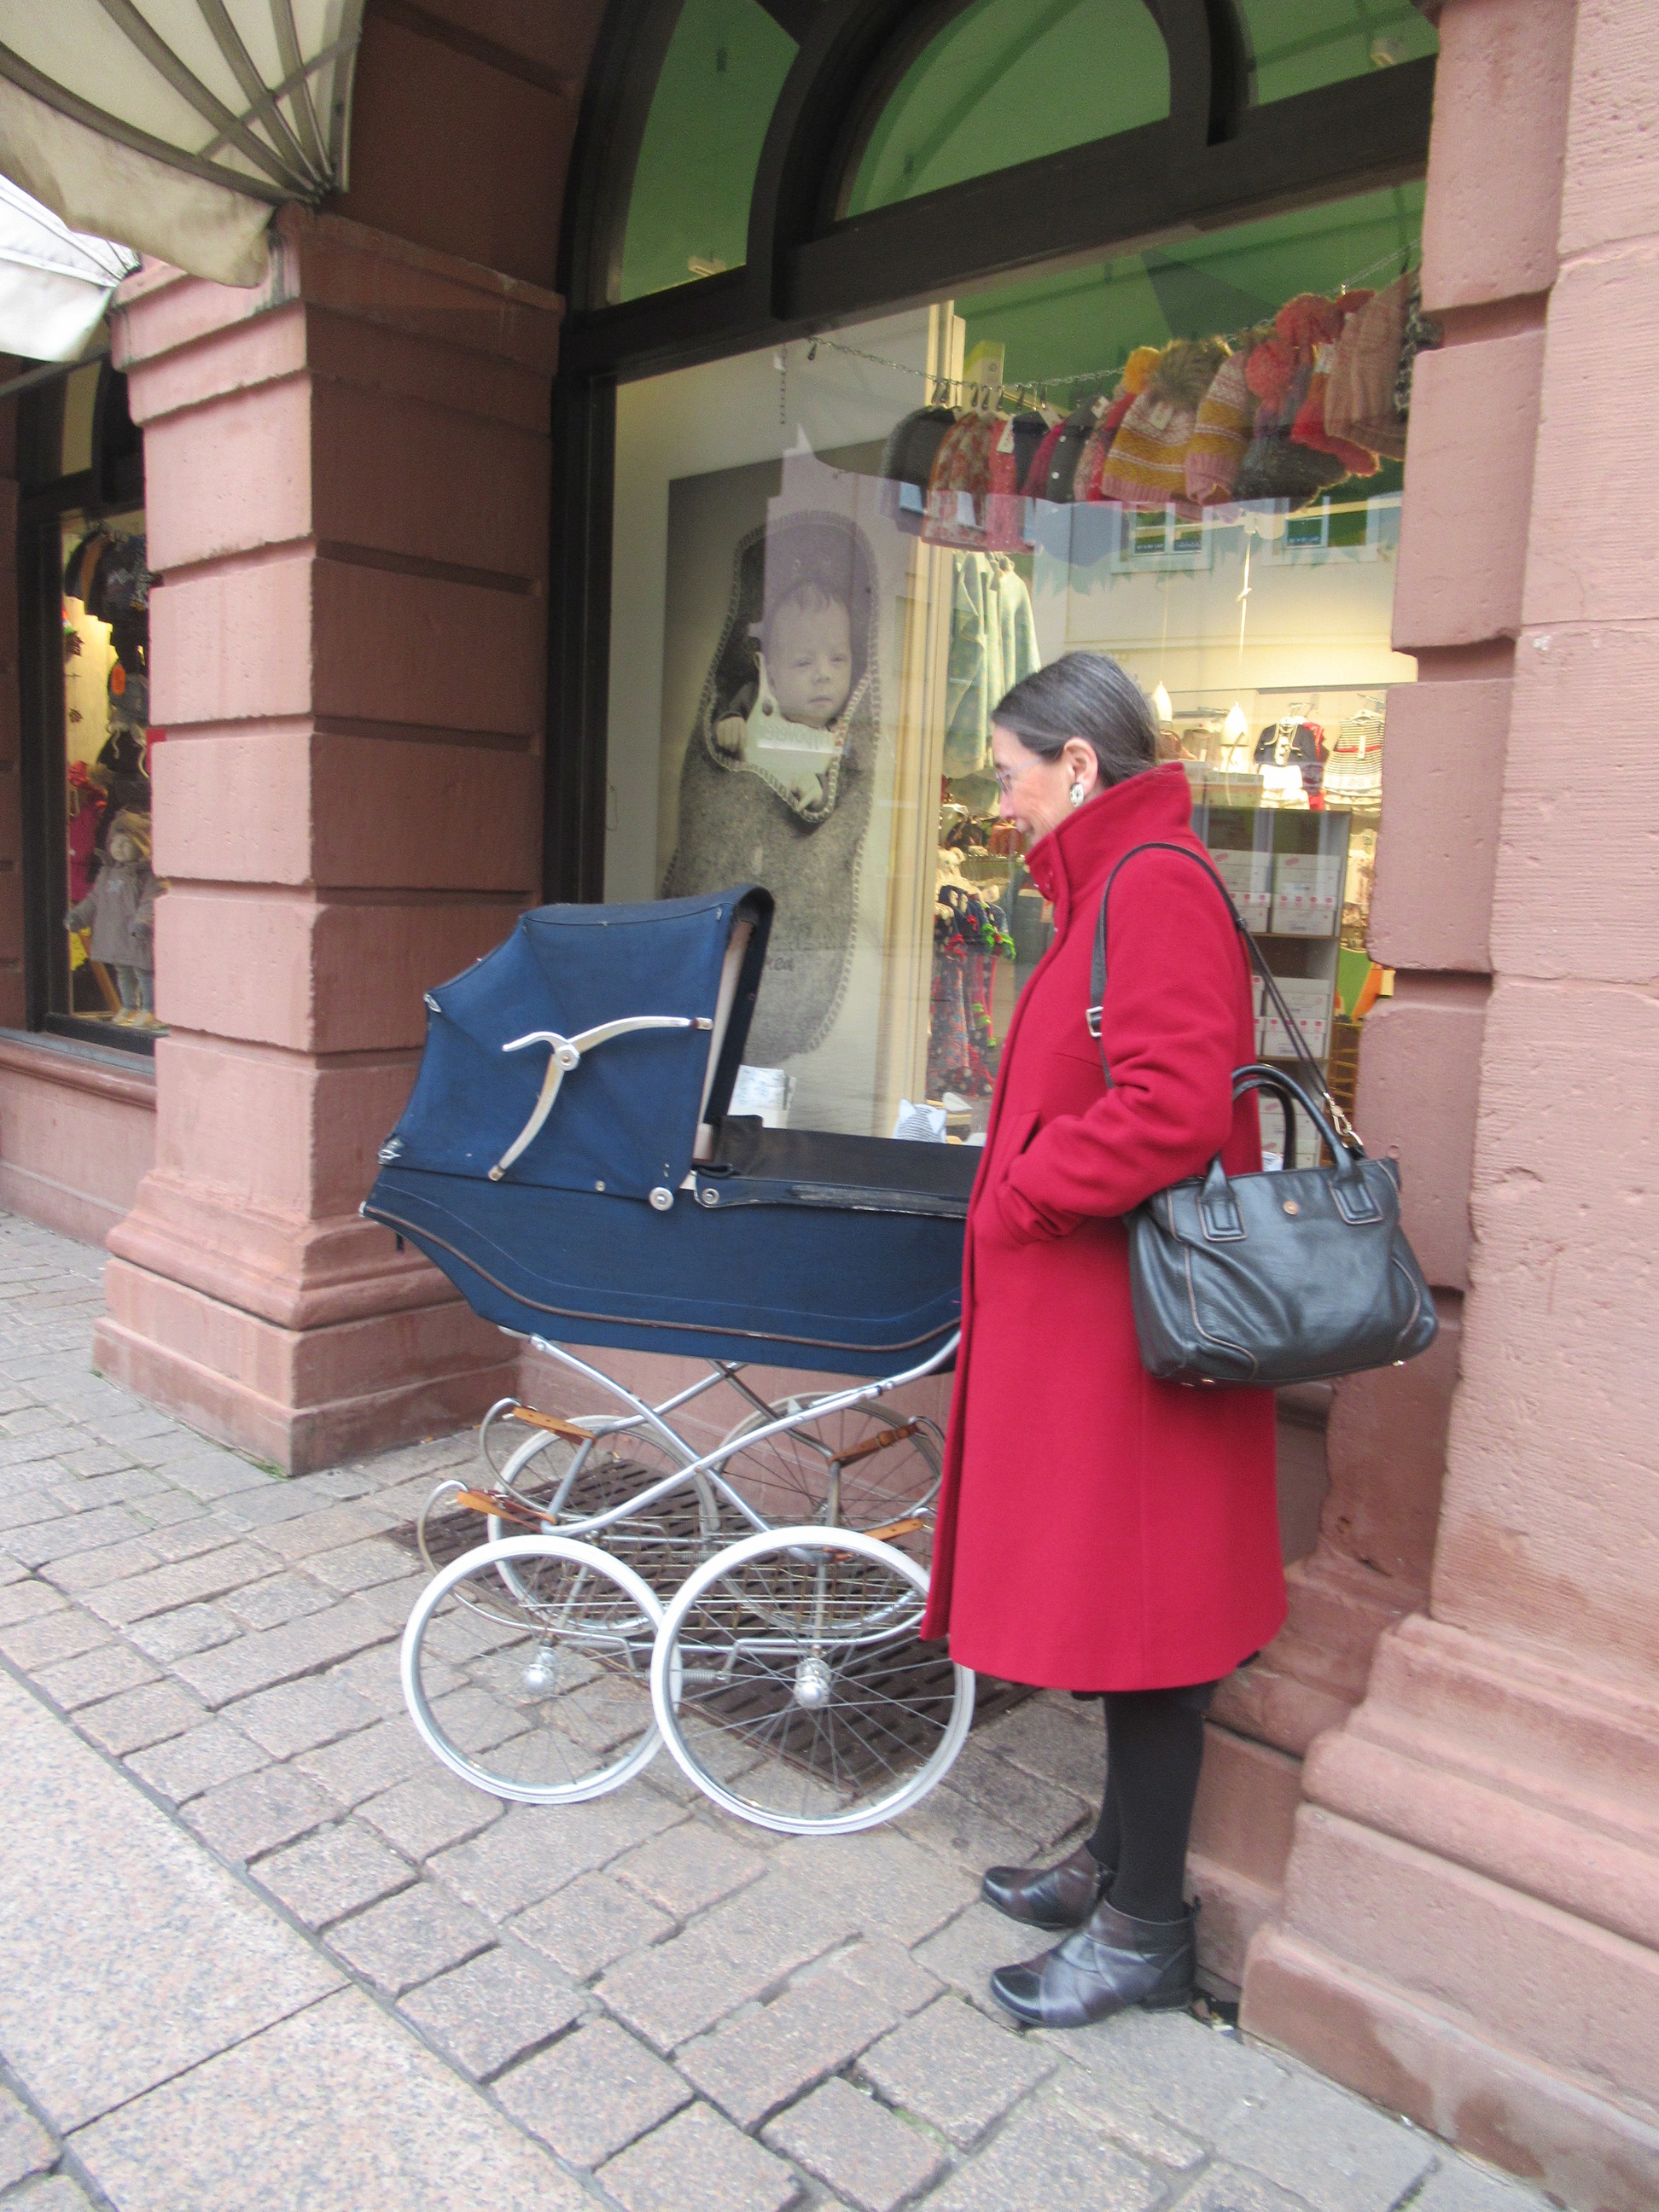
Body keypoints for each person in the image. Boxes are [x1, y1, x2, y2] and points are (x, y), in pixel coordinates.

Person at [918, 650, 1287, 2028]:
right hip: (1110, 1330)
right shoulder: (1116, 883)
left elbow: (1173, 1106)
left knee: (1151, 1632)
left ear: (1078, 765)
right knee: (1130, 1614)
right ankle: (1113, 1867)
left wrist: (1026, 1190)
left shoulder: (1152, 885)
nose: (1003, 802)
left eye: (1013, 774)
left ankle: (1146, 1931)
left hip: (1136, 1337)